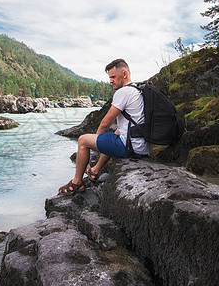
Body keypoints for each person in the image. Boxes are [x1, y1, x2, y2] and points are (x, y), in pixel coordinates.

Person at [58, 59, 152, 195]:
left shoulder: (123, 92)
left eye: (113, 77)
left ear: (124, 74)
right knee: (112, 137)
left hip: (132, 148)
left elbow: (105, 123)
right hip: (143, 147)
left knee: (83, 140)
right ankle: (95, 170)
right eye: (110, 77)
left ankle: (77, 182)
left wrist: (95, 142)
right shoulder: (138, 90)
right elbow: (126, 126)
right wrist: (103, 141)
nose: (110, 81)